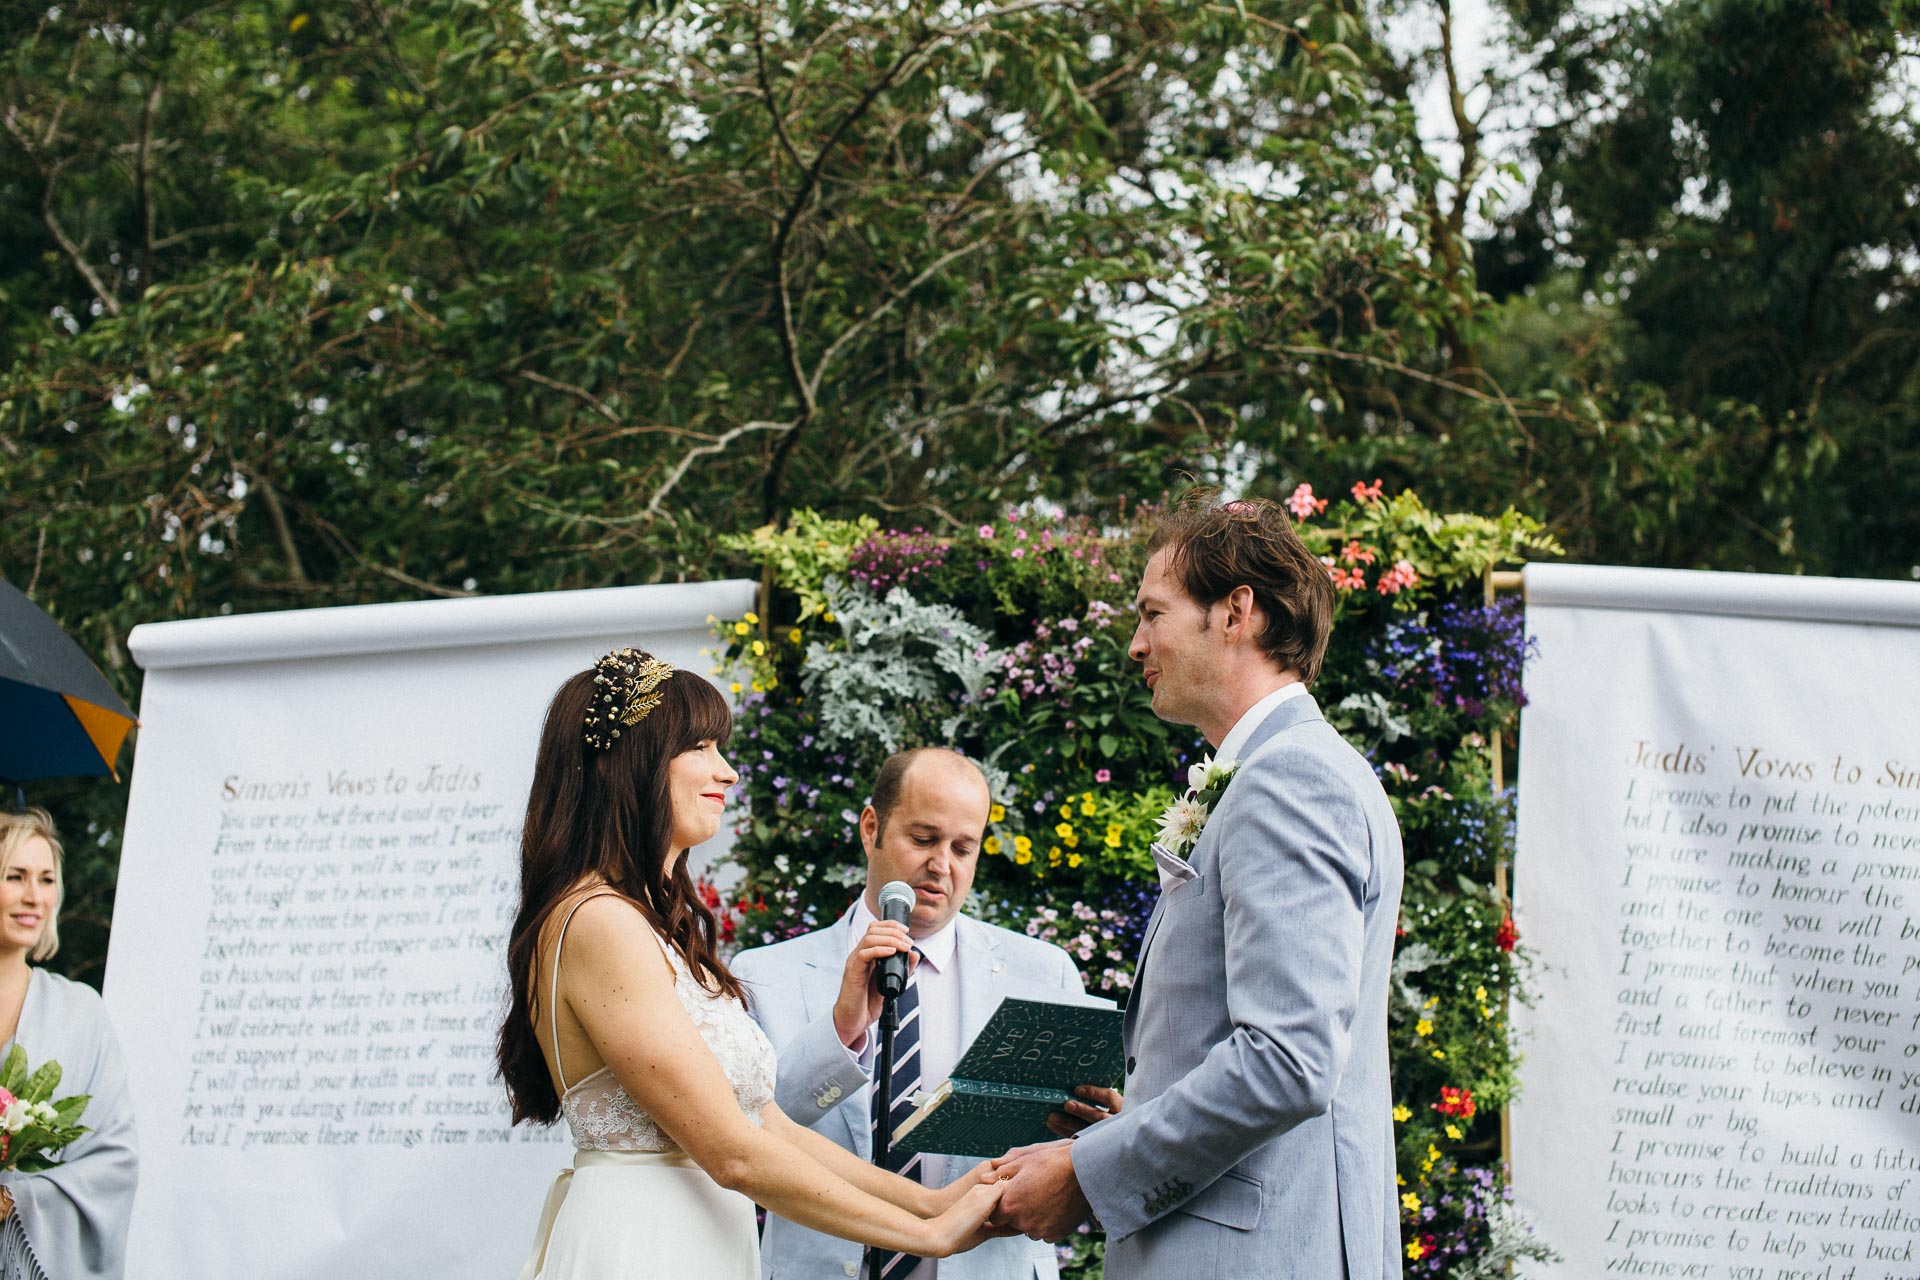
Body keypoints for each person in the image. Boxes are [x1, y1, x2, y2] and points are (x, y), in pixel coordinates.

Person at [991, 496, 1405, 1277]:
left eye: (1152, 612)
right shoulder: (1290, 770)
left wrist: (1088, 1173)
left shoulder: (1291, 779)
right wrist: (1133, 1120)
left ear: (1235, 612)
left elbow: (1287, 1059)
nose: (1136, 643)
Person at [498, 650, 1005, 1280]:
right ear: (634, 763)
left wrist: (932, 1202)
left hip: (701, 1245)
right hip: (640, 1248)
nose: (729, 772)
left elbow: (766, 1124)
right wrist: (928, 1237)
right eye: (703, 746)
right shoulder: (600, 921)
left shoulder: (649, 923)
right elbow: (733, 1154)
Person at [733, 748, 1120, 1280]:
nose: (943, 865)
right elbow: (747, 1135)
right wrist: (841, 1033)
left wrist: (1100, 1131)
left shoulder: (1044, 971)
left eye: (964, 848)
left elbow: (1071, 1160)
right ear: (871, 829)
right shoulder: (764, 975)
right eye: (923, 839)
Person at [0, 808, 139, 1280]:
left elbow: (114, 1160)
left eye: (46, 879)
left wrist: (14, 1200)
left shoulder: (82, 1013)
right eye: (15, 877)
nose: (33, 897)